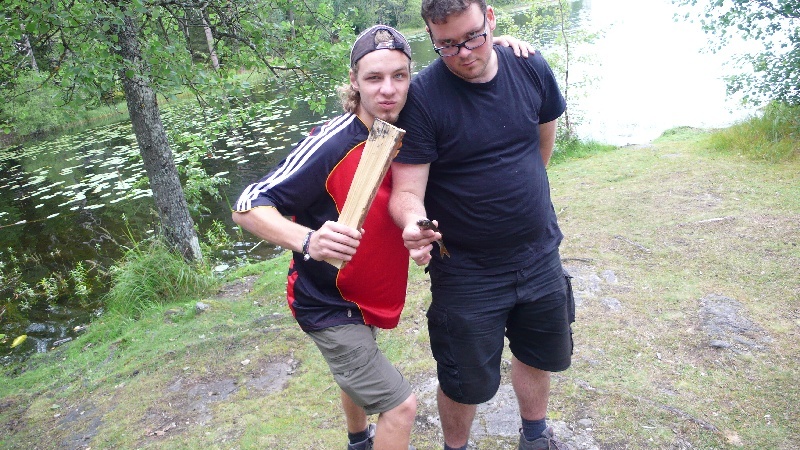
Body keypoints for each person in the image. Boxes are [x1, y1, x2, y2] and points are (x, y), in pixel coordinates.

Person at [232, 24, 536, 450]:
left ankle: (359, 439)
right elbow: (248, 203)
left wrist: (497, 45)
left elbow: (463, 64)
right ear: (354, 81)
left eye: (399, 75)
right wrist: (308, 240)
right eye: (374, 78)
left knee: (362, 376)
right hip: (328, 303)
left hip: (366, 295)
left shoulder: (410, 130)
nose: (388, 89)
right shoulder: (333, 142)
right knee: (399, 407)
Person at [387, 1, 574, 450]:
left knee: (538, 353)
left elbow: (542, 142)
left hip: (539, 253)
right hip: (467, 271)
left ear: (490, 17)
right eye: (447, 45)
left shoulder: (530, 66)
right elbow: (406, 191)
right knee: (463, 380)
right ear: (431, 37)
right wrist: (413, 223)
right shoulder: (423, 98)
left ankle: (535, 436)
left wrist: (520, 196)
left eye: (473, 36)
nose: (464, 53)